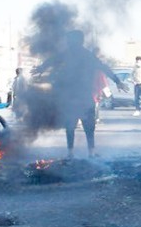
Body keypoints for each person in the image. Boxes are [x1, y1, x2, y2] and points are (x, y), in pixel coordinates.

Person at [33, 30, 126, 158]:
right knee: (87, 126)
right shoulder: (87, 55)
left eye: (68, 40)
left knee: (70, 126)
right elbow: (104, 67)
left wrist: (41, 68)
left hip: (72, 97)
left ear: (74, 41)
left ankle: (71, 153)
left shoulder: (68, 54)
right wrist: (117, 81)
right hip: (84, 97)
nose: (67, 42)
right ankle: (90, 153)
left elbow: (52, 60)